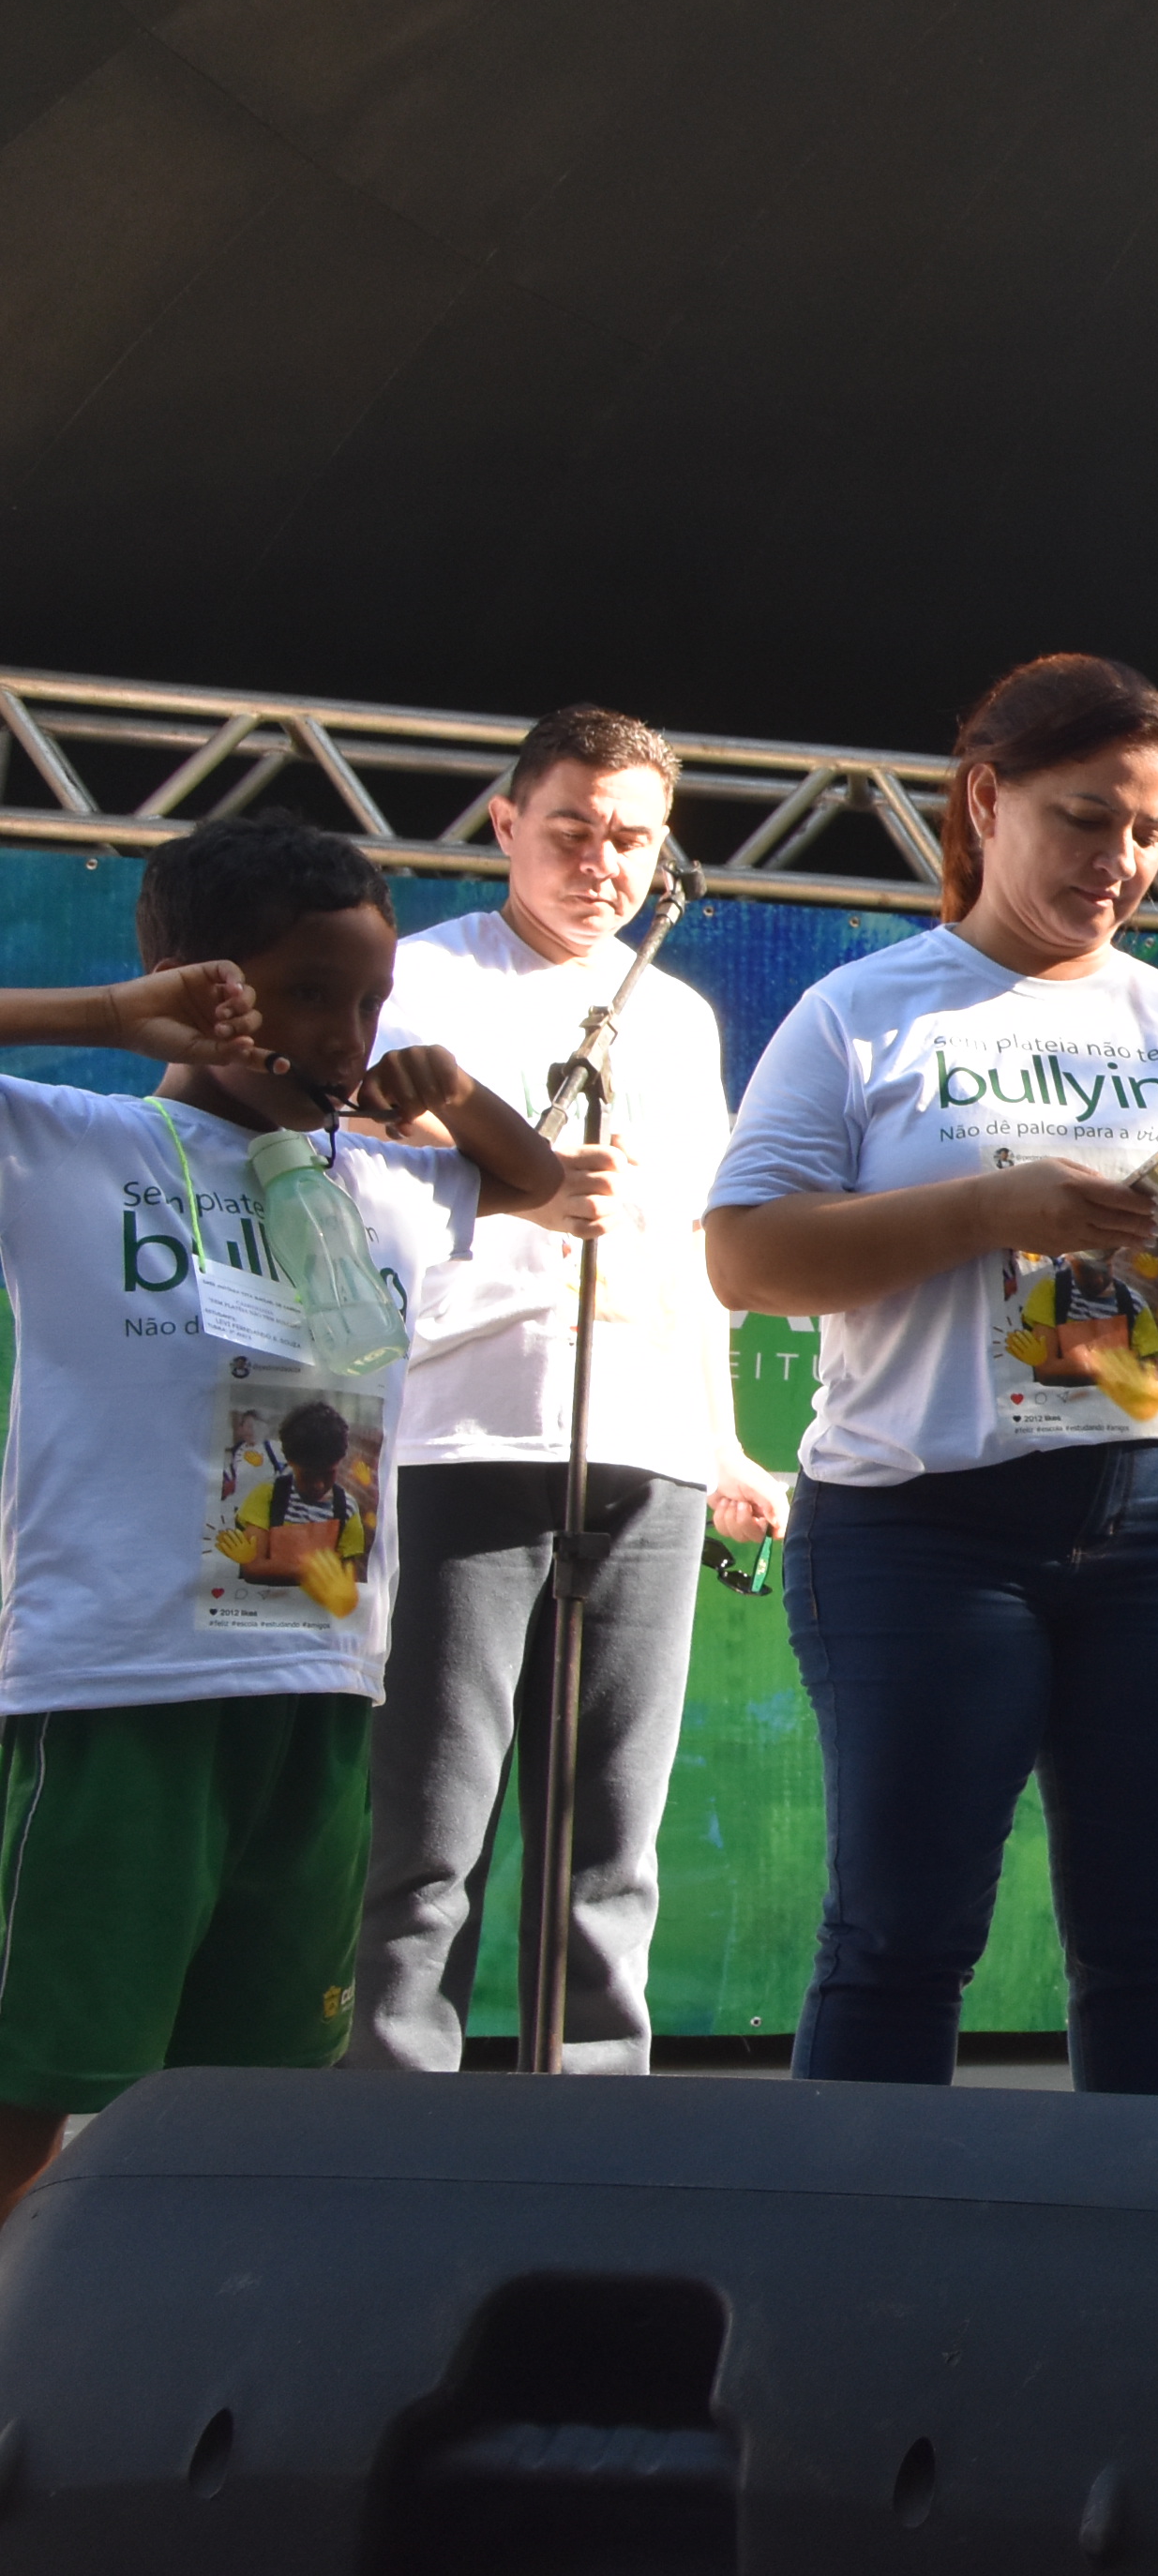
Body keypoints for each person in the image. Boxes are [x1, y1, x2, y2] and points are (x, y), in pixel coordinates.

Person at [702, 655, 1158, 2096]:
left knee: (1154, 1944)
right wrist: (992, 1209)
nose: (1122, 862)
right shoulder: (864, 1013)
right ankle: (862, 2233)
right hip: (923, 1529)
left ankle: (1154, 2236)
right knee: (900, 1939)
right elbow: (746, 1259)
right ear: (986, 801)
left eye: (1152, 831)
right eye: (1086, 818)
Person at [0, 813, 564, 2212]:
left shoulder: (378, 1181)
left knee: (245, 2109)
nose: (347, 1033)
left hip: (314, 1691)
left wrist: (452, 1090)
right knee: (32, 2083)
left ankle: (169, 2338)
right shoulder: (71, 1146)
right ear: (200, 984)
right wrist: (109, 1017)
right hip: (118, 1698)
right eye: (312, 993)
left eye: (373, 1000)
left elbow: (536, 1181)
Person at [350, 705, 790, 2078]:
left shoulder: (679, 1014)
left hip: (645, 1448)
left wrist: (725, 1444)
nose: (603, 863)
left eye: (633, 840)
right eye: (573, 830)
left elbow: (698, 1246)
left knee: (611, 1837)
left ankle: (592, 2117)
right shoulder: (422, 979)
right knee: (433, 1830)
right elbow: (362, 1181)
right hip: (463, 1431)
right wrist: (524, 1193)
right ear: (505, 824)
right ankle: (394, 2110)